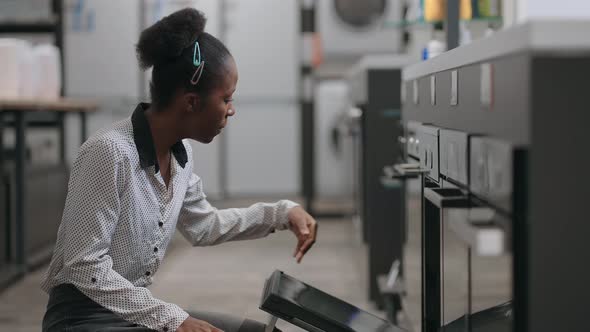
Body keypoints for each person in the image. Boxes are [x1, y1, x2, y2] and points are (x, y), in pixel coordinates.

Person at [41, 8, 317, 332]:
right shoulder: (109, 153)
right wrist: (174, 319)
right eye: (226, 98)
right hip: (81, 319)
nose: (232, 110)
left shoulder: (180, 154)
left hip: (133, 311)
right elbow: (84, 264)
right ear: (190, 102)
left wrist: (282, 213)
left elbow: (205, 226)